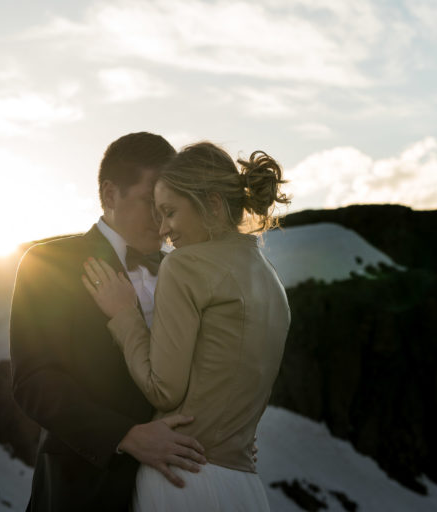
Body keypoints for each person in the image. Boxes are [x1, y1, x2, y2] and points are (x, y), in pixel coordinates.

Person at [82, 141, 291, 511]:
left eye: (170, 212)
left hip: (183, 475)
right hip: (244, 485)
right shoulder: (269, 276)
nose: (164, 229)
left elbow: (164, 390)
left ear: (211, 203)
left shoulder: (184, 265)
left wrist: (124, 315)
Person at [9, 132, 208, 512]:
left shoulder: (183, 271)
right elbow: (33, 380)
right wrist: (126, 436)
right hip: (82, 489)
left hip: (177, 487)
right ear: (109, 195)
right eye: (150, 202)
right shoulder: (47, 263)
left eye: (169, 205)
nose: (161, 219)